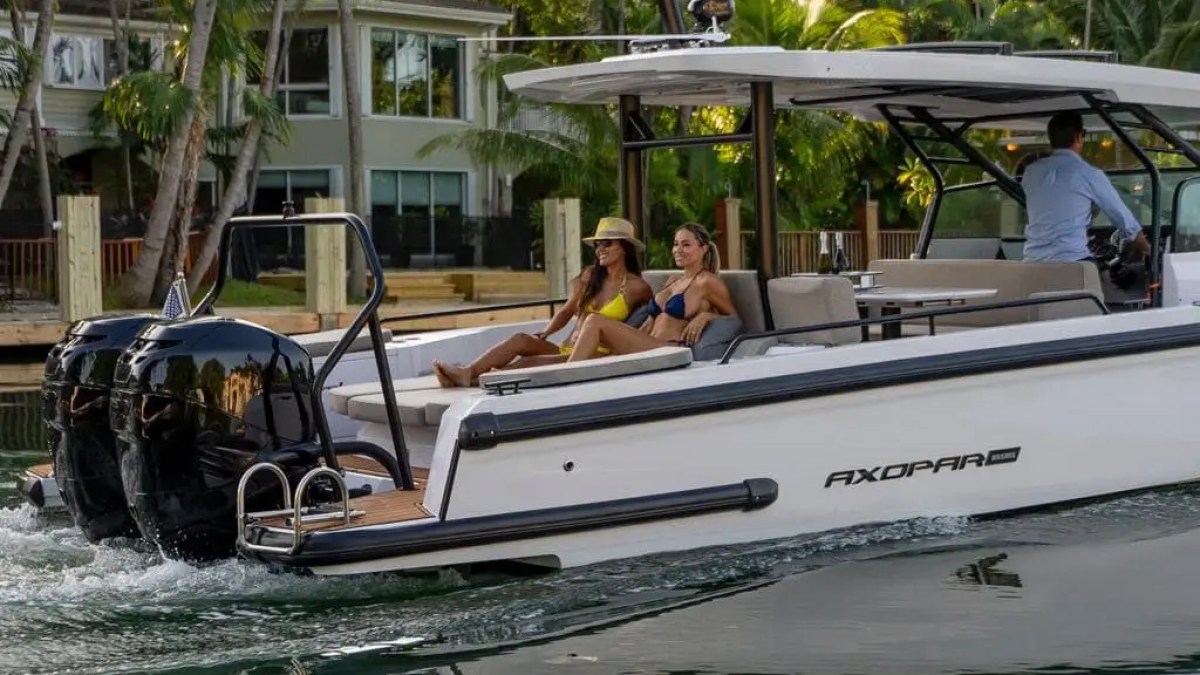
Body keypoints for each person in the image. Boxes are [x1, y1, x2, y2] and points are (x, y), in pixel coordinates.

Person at [432, 217, 653, 387]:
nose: (599, 249)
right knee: (521, 340)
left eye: (607, 243)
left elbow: (647, 321)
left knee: (526, 363)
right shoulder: (590, 276)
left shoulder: (637, 288)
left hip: (596, 353)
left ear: (624, 247)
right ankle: (468, 373)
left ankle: (479, 379)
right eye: (597, 244)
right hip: (567, 348)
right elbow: (566, 312)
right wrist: (546, 333)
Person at [566, 222, 736, 362]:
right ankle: (569, 373)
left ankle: (568, 377)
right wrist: (625, 339)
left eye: (686, 245)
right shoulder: (672, 281)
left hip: (668, 349)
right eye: (676, 244)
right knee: (591, 339)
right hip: (648, 342)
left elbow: (733, 319)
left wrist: (706, 316)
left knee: (595, 321)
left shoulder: (707, 282)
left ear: (704, 249)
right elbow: (650, 322)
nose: (678, 250)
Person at [1022, 111, 1152, 263]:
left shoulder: (1031, 172)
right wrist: (1146, 249)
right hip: (1072, 263)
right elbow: (1122, 218)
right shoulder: (1088, 174)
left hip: (1031, 264)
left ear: (1050, 138)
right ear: (1078, 136)